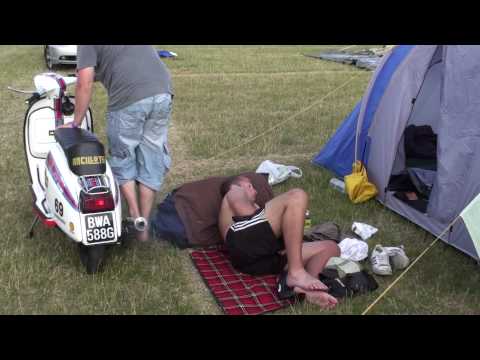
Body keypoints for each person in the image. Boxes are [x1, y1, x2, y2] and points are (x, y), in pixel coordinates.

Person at [60, 45, 174, 241]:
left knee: (123, 157)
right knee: (151, 156)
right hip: (162, 91)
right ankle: (144, 228)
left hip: (128, 99)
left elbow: (84, 84)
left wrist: (76, 123)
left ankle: (135, 215)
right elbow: (124, 62)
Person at [218, 175, 340, 309]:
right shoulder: (234, 190)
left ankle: (308, 289)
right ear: (240, 185)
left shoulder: (258, 210)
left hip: (262, 261)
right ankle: (296, 272)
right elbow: (248, 216)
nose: (256, 191)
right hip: (243, 242)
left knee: (330, 247)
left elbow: (263, 229)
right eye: (250, 186)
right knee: (297, 195)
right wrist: (286, 219)